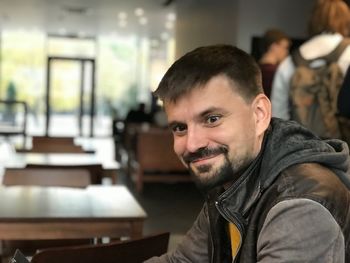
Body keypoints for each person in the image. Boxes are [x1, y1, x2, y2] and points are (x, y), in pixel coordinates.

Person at [144, 44, 350, 262]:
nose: (193, 144)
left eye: (212, 119)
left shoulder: (300, 206)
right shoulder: (231, 181)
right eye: (180, 128)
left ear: (259, 115)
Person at [271, 0, 350, 120]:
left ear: (313, 20)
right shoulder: (348, 53)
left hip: (299, 136)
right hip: (341, 136)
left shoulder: (290, 61)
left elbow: (278, 114)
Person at [259, 29, 290, 98]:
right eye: (285, 47)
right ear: (274, 46)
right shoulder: (275, 72)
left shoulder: (253, 67)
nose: (286, 52)